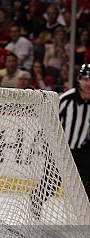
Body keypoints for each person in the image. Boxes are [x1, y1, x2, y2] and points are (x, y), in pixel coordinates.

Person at [59, 63, 90, 196]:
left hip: (82, 149)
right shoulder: (66, 99)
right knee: (51, 182)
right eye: (85, 79)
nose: (88, 83)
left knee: (87, 182)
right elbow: (51, 119)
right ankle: (35, 206)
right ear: (79, 80)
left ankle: (86, 215)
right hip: (61, 149)